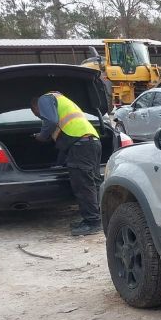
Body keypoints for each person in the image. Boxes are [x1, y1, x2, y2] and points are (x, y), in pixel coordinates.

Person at [31, 92, 103, 236]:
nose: (39, 116)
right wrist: (58, 164)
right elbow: (65, 143)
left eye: (36, 114)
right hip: (92, 142)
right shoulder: (61, 100)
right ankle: (95, 218)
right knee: (93, 183)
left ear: (35, 106)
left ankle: (93, 222)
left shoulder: (44, 99)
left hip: (81, 145)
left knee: (83, 186)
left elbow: (50, 122)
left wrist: (41, 136)